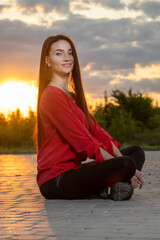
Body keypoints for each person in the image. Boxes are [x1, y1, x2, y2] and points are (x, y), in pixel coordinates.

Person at [35, 34, 145, 201]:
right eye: (59, 53)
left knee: (135, 152)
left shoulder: (72, 96)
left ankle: (113, 187)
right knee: (126, 164)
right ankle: (115, 185)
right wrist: (129, 170)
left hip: (75, 172)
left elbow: (98, 133)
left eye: (69, 53)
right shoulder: (51, 95)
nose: (66, 58)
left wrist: (123, 164)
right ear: (48, 61)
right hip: (56, 181)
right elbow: (84, 141)